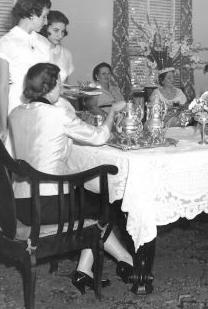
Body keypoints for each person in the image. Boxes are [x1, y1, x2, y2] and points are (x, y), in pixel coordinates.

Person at [9, 63, 134, 294]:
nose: (62, 86)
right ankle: (126, 260)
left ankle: (86, 271)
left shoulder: (16, 112)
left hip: (20, 203)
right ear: (50, 85)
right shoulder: (57, 114)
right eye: (59, 82)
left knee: (90, 202)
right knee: (103, 207)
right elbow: (98, 137)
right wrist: (114, 111)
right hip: (46, 205)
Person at [0, 0, 52, 152]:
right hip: (16, 104)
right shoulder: (7, 42)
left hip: (42, 105)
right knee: (15, 157)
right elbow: (3, 86)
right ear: (32, 14)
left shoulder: (43, 42)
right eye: (44, 17)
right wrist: (4, 126)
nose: (46, 22)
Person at [40, 10, 74, 83]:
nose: (60, 35)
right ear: (45, 28)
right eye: (56, 30)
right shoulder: (35, 50)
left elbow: (65, 83)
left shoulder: (66, 54)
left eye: (62, 31)